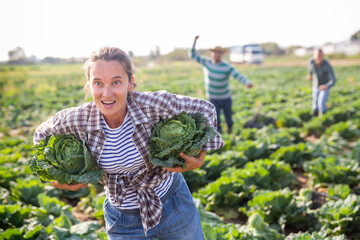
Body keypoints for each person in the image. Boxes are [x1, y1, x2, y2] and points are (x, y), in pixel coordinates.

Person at [33, 47, 224, 240]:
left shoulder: (151, 105)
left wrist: (200, 155)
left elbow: (205, 109)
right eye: (98, 83)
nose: (106, 93)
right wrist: (57, 178)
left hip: (173, 204)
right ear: (89, 85)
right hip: (122, 218)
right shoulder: (79, 119)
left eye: (116, 82)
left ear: (130, 82)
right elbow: (40, 136)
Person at [191, 35, 253, 134]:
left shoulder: (226, 66)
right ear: (211, 53)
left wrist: (247, 82)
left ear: (221, 54)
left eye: (219, 53)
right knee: (216, 120)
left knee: (229, 119)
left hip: (225, 97)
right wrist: (194, 42)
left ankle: (230, 131)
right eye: (215, 52)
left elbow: (237, 75)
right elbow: (193, 55)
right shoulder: (206, 62)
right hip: (213, 98)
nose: (217, 54)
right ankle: (219, 137)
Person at [307, 48, 336, 116]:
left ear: (323, 56)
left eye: (320, 55)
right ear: (314, 55)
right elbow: (310, 68)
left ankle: (324, 118)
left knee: (321, 103)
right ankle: (316, 119)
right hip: (316, 84)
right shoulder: (312, 61)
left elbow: (333, 79)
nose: (318, 57)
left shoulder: (327, 65)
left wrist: (326, 86)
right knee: (315, 103)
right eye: (317, 55)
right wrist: (310, 74)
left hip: (325, 86)